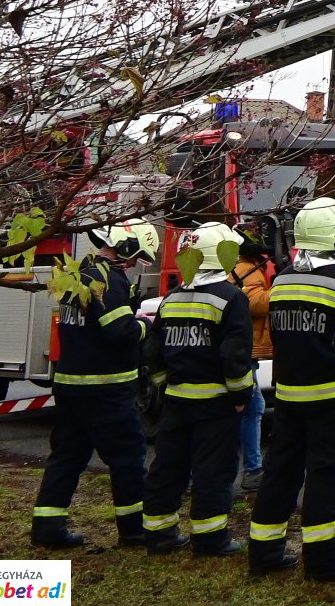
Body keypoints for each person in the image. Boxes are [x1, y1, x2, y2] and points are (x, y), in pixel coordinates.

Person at [31, 217, 160, 549]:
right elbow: (121, 333)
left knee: (67, 458)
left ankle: (47, 529)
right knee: (128, 458)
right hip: (106, 390)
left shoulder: (78, 275)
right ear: (125, 246)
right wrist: (148, 326)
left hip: (71, 387)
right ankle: (134, 531)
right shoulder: (108, 280)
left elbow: (95, 324)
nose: (133, 264)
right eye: (136, 256)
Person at [247, 198, 335, 580]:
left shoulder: (282, 279)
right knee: (328, 478)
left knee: (280, 474)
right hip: (332, 398)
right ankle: (323, 563)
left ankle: (263, 553)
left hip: (289, 396)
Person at [141, 221, 255, 556]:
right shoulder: (231, 297)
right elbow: (234, 355)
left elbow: (153, 352)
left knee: (168, 467)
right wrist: (240, 396)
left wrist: (164, 389)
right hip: (215, 404)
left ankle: (159, 536)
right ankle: (210, 539)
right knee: (213, 471)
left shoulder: (172, 298)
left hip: (176, 403)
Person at [231, 218, 276, 492]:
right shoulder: (245, 269)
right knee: (253, 407)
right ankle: (252, 471)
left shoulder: (248, 267)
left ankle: (253, 469)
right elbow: (254, 304)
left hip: (247, 349)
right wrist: (280, 292)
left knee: (254, 406)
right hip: (246, 348)